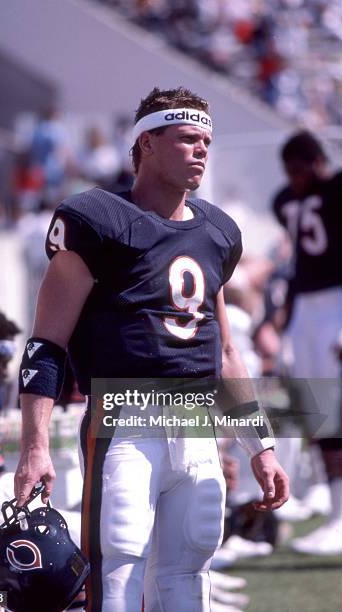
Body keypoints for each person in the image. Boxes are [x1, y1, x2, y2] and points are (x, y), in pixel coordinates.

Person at [15, 86, 289, 611]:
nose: (202, 149)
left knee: (188, 576)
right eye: (187, 138)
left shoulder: (218, 232)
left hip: (197, 424)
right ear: (147, 143)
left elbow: (225, 351)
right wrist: (34, 447)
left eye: (206, 139)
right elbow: (46, 345)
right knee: (117, 572)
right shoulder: (97, 218)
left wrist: (262, 447)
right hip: (124, 423)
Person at [272, 130, 342, 555]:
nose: (295, 178)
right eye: (289, 171)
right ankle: (336, 514)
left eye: (301, 168)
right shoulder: (283, 201)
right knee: (321, 414)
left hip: (337, 300)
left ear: (318, 161)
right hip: (307, 310)